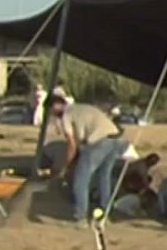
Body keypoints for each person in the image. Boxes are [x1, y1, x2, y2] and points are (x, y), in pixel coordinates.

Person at [49, 94, 128, 225]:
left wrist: (65, 166)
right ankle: (104, 216)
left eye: (51, 110)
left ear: (56, 105)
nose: (52, 114)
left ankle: (81, 217)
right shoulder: (82, 107)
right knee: (104, 178)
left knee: (81, 181)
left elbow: (71, 144)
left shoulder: (66, 115)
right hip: (115, 139)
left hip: (98, 141)